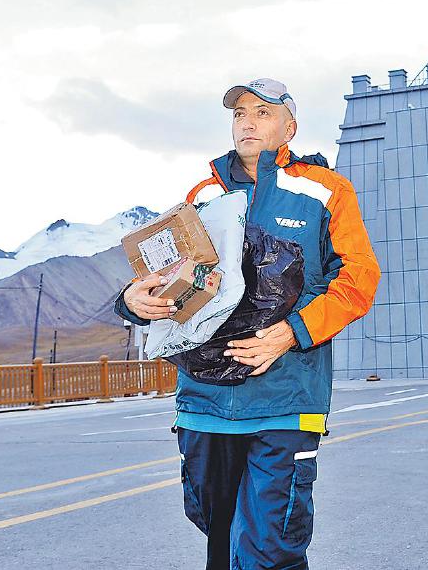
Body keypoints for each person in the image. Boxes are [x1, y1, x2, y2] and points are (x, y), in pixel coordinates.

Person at [115, 78, 381, 570]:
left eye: (262, 113)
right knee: (218, 536)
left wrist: (292, 332)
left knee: (270, 547)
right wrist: (133, 301)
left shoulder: (326, 191)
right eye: (239, 114)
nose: (247, 123)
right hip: (203, 403)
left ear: (289, 128)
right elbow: (176, 278)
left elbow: (359, 278)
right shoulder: (204, 194)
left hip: (285, 400)